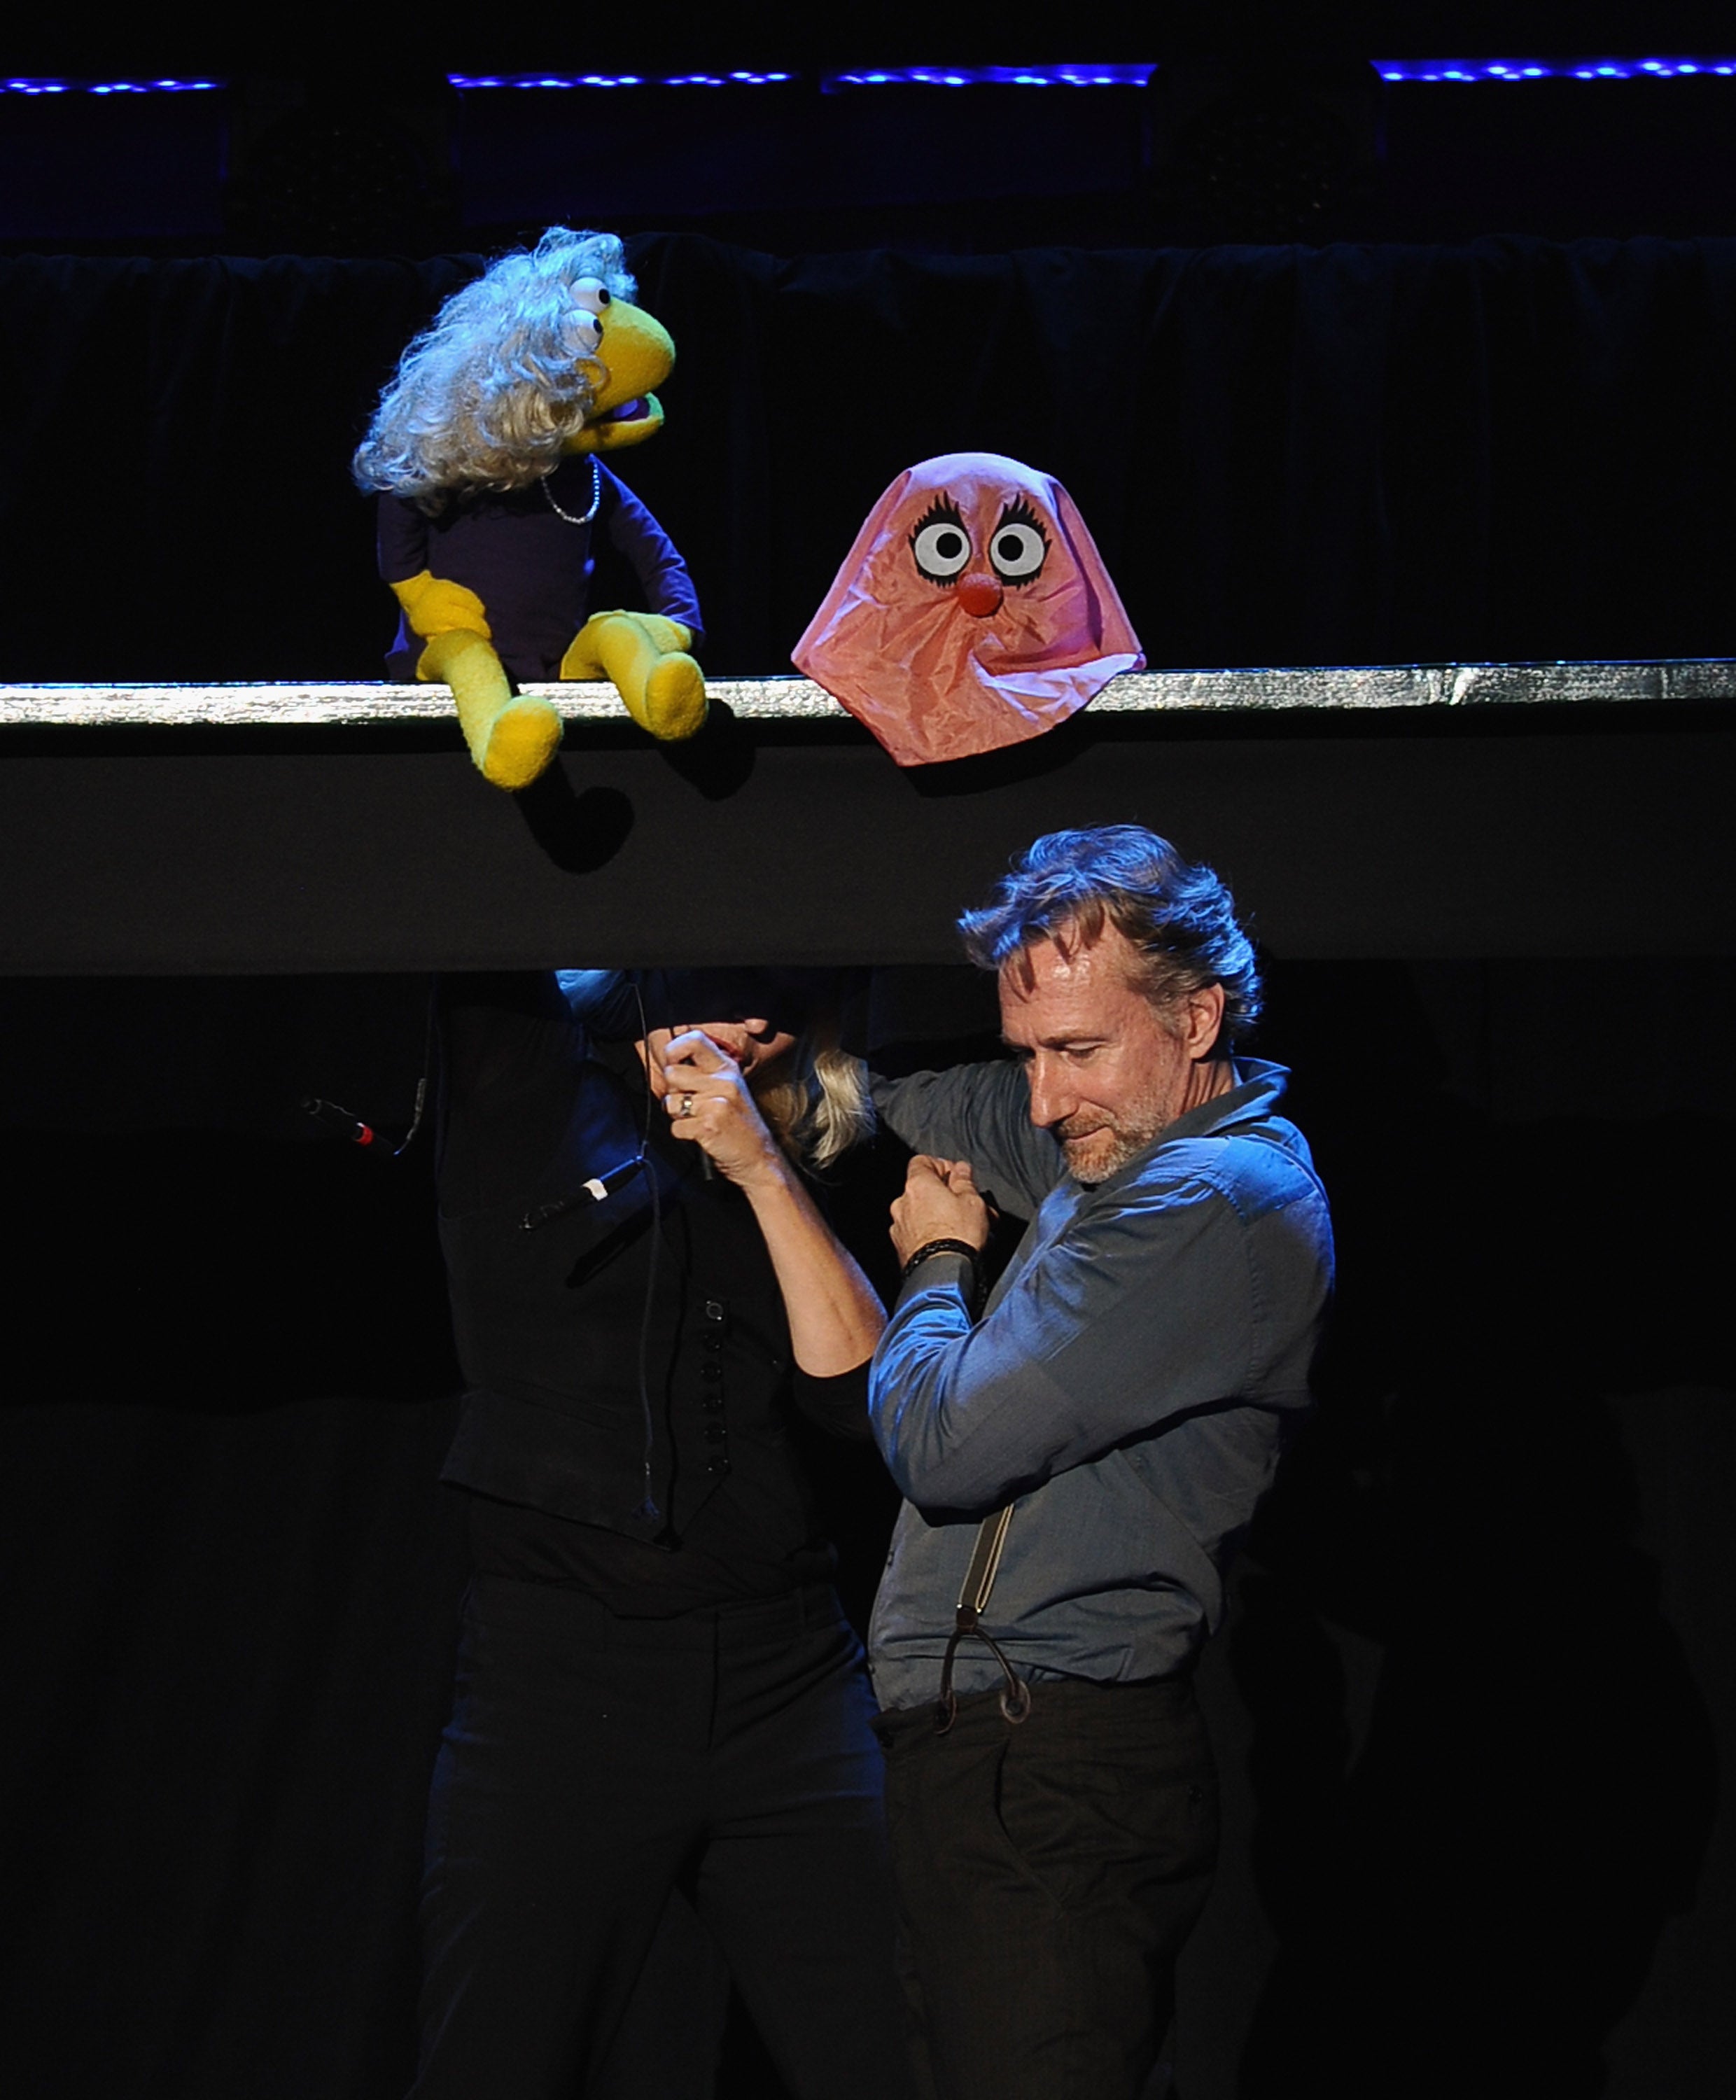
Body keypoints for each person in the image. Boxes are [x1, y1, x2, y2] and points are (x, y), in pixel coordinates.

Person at [864, 827, 1335, 2100]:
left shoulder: (1210, 1201)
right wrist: (823, 1080)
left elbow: (942, 1447)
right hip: (994, 1763)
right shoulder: (1112, 1152)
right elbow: (951, 1107)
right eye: (1029, 1053)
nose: (1042, 1101)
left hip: (1056, 1762)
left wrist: (938, 1264)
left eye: (1077, 1051)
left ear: (1197, 1016)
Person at [412, 967, 916, 2100]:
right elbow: (496, 936)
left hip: (787, 1679)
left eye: (775, 1007)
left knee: (904, 2052)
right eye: (716, 986)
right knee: (493, 2064)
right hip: (562, 1682)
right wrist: (613, 1008)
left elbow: (866, 1402)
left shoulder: (828, 1159)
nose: (742, 1025)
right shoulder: (532, 1095)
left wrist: (758, 1170)